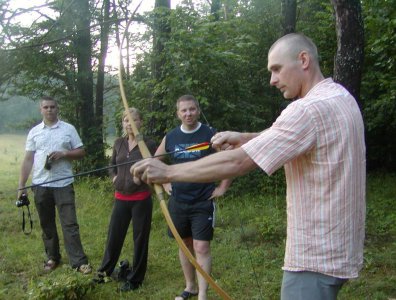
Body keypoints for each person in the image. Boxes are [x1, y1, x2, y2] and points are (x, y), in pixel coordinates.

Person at [131, 33, 366, 300]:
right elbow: (296, 136)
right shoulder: (340, 98)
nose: (272, 80)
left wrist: (168, 172)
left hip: (314, 257)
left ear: (303, 60)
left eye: (276, 69)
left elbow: (238, 161)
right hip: (340, 247)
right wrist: (246, 138)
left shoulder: (306, 110)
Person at [154, 95, 232, 300]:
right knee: (185, 245)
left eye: (192, 109)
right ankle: (190, 287)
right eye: (184, 110)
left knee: (201, 246)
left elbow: (229, 158)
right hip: (178, 201)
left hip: (203, 200)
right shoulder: (170, 137)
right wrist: (164, 182)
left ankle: (203, 294)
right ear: (178, 113)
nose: (188, 114)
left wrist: (223, 186)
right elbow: (155, 161)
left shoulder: (210, 133)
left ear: (198, 110)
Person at [18, 96, 92, 274]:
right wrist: (22, 186)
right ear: (41, 110)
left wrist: (64, 153)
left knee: (70, 224)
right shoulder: (34, 132)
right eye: (46, 107)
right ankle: (52, 257)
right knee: (47, 223)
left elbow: (81, 152)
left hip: (64, 183)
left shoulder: (68, 129)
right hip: (41, 184)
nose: (49, 110)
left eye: (52, 107)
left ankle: (79, 261)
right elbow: (28, 159)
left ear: (57, 109)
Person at [93, 108, 157, 292]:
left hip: (141, 199)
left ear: (140, 122)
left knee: (140, 239)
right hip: (120, 198)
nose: (129, 124)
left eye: (133, 120)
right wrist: (114, 177)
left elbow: (154, 166)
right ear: (123, 123)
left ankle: (135, 279)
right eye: (126, 120)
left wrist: (141, 178)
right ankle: (104, 272)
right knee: (114, 236)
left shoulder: (148, 144)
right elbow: (111, 164)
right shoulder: (119, 142)